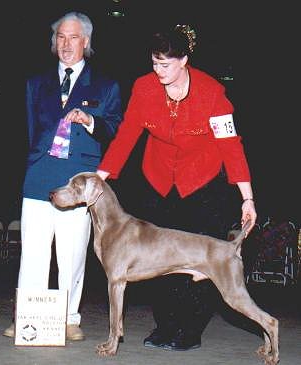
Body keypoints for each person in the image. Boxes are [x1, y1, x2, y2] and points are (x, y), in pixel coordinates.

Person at [96, 25, 257, 351]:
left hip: (201, 184)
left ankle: (189, 330)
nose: (158, 71)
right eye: (154, 63)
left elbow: (231, 147)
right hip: (157, 180)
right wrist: (101, 175)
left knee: (201, 261)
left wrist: (247, 198)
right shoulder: (144, 88)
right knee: (156, 260)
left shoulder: (212, 94)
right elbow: (126, 136)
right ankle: (164, 326)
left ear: (184, 60)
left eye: (165, 64)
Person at [3, 11, 122, 340]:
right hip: (39, 178)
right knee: (33, 253)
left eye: (73, 37)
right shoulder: (35, 83)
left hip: (78, 184)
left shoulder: (106, 85)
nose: (66, 44)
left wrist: (91, 122)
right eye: (60, 37)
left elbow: (115, 130)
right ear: (54, 43)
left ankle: (69, 318)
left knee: (71, 254)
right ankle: (27, 313)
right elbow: (29, 130)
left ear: (86, 41)